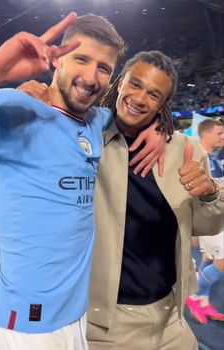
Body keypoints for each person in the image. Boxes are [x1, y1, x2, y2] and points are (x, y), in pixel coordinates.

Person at [19, 51, 224, 350]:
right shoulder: (82, 138)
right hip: (107, 326)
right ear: (119, 83)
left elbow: (206, 225)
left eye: (154, 94)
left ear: (163, 104)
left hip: (171, 318)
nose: (140, 98)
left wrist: (209, 193)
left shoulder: (184, 149)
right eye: (135, 84)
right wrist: (21, 105)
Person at [0, 14, 166, 350]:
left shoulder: (96, 121)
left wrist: (160, 125)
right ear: (57, 60)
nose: (91, 77)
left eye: (104, 68)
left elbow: (137, 110)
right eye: (81, 59)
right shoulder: (14, 111)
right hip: (26, 327)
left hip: (77, 319)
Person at [186, 119, 224, 324]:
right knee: (222, 264)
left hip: (219, 219)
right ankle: (193, 297)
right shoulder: (196, 159)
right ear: (206, 134)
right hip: (210, 223)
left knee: (209, 259)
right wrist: (194, 230)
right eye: (219, 133)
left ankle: (204, 302)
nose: (222, 137)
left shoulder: (214, 158)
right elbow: (188, 194)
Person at [0, 12, 80, 91]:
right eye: (81, 60)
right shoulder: (5, 104)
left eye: (95, 67)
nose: (90, 79)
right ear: (57, 60)